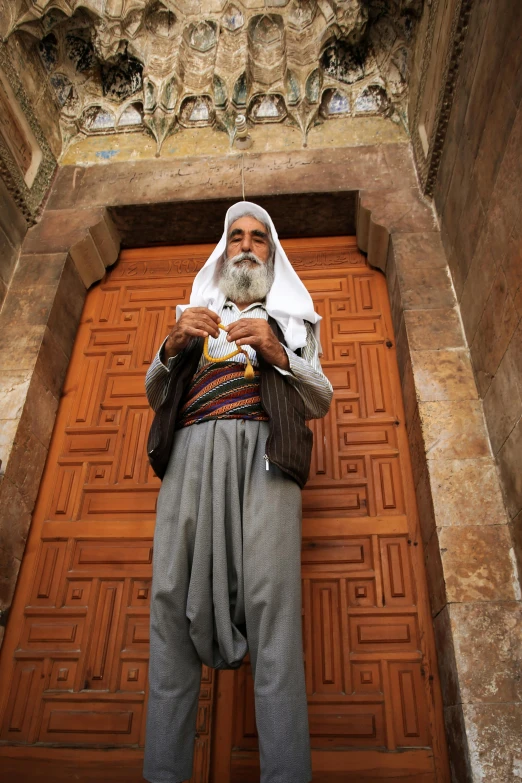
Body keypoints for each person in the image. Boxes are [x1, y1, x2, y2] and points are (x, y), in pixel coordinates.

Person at [143, 201, 333, 783]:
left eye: (258, 239)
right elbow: (155, 393)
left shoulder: (294, 323)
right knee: (170, 601)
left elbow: (319, 399)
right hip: (191, 457)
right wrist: (172, 346)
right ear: (224, 252)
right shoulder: (192, 317)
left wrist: (278, 354)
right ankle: (164, 773)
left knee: (273, 606)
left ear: (271, 255)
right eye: (236, 238)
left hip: (267, 460)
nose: (246, 247)